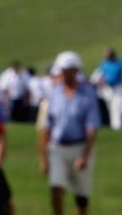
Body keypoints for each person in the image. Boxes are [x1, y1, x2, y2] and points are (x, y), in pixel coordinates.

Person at [37, 51, 100, 215]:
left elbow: (92, 127)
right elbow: (46, 126)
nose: (63, 74)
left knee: (81, 195)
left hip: (79, 146)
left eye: (66, 70)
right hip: (57, 148)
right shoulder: (54, 93)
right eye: (61, 70)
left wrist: (85, 155)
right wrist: (43, 157)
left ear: (75, 71)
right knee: (56, 188)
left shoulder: (87, 94)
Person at [90, 48, 122, 131]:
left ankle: (117, 126)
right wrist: (100, 83)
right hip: (107, 88)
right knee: (110, 108)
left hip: (118, 87)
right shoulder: (103, 64)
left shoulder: (120, 63)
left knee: (116, 107)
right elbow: (100, 75)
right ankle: (113, 125)